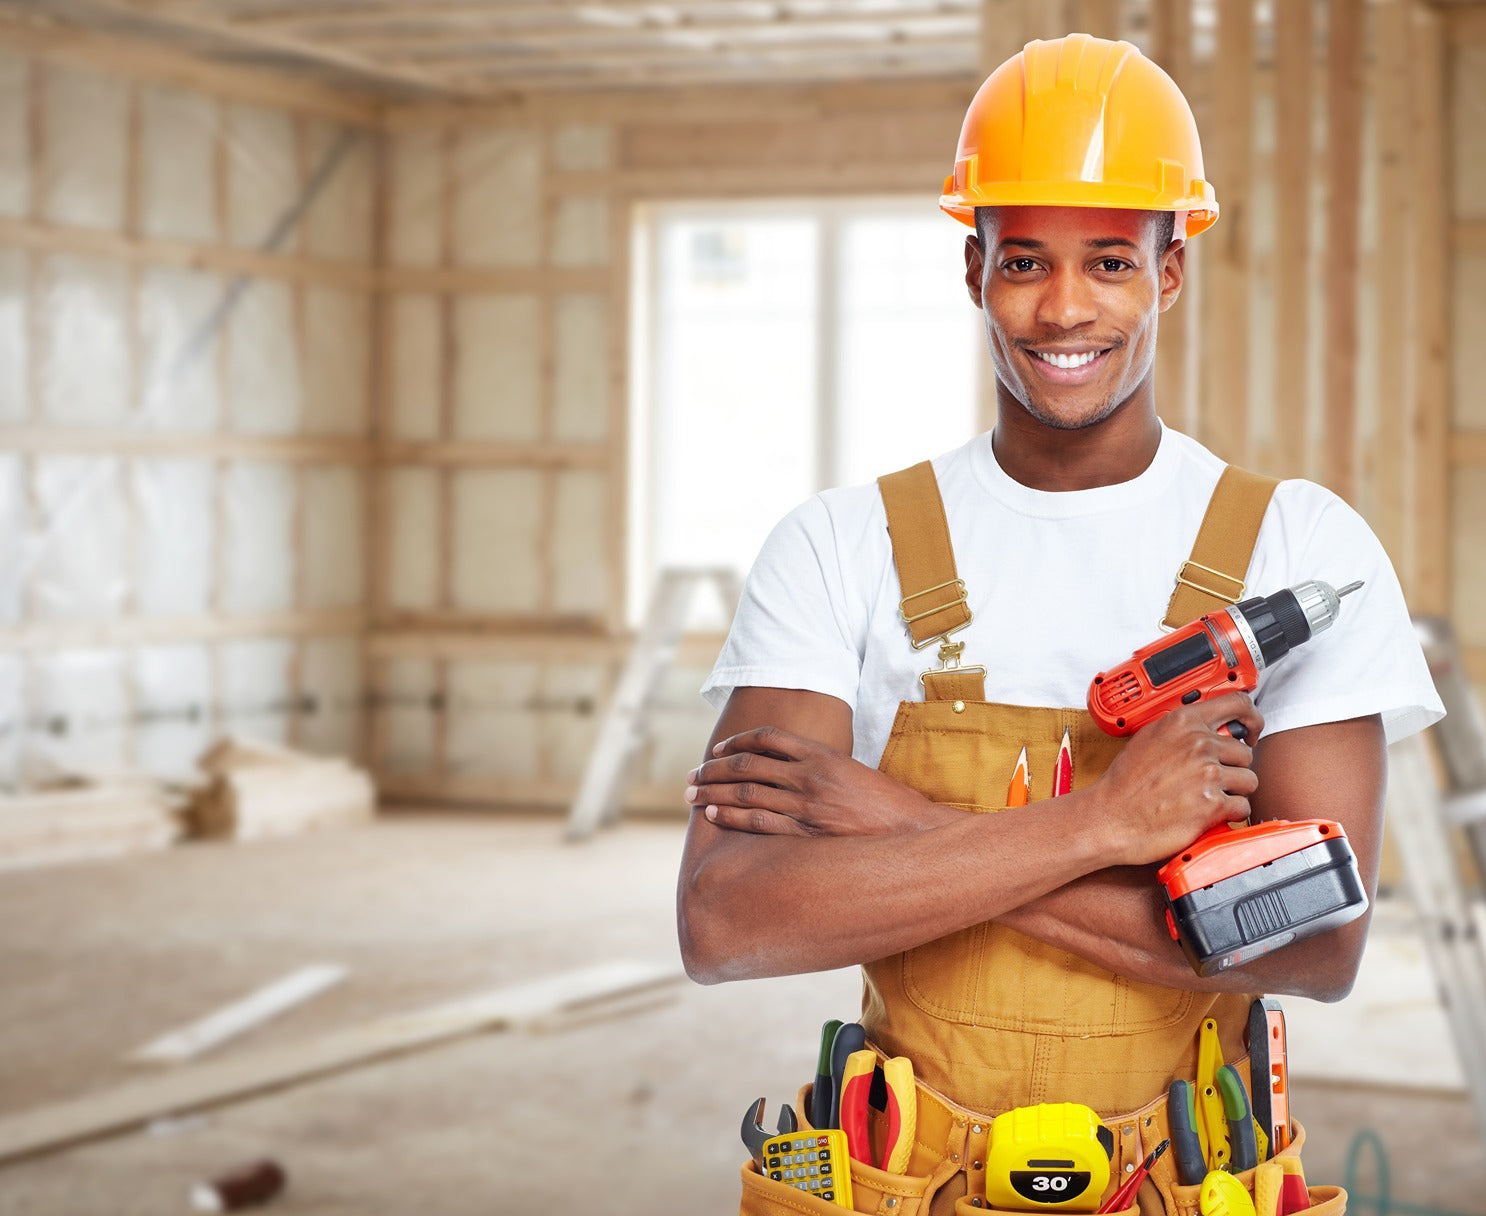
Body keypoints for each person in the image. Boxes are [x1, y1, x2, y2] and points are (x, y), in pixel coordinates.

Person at [676, 33, 1444, 1216]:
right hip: (908, 1179)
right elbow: (727, 918)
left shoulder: (1298, 546)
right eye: (1023, 259)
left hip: (1186, 1179)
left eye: (1110, 262)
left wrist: (896, 822)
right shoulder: (842, 545)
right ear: (971, 266)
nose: (1064, 307)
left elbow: (1314, 948)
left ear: (1170, 270)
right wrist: (1104, 823)